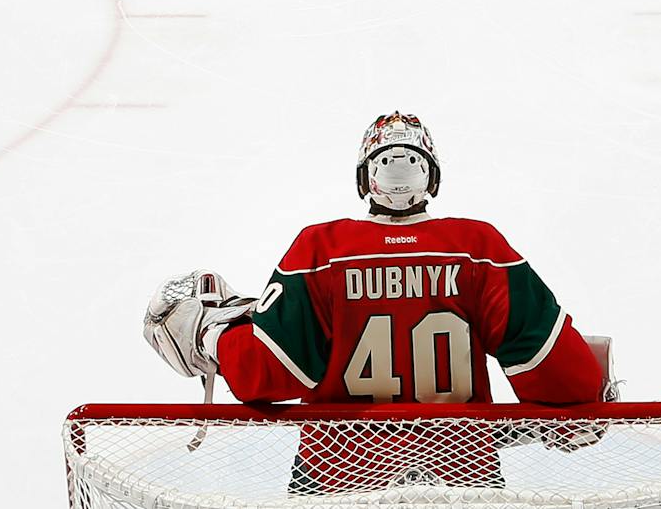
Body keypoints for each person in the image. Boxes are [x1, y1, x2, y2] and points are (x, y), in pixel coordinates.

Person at [142, 112, 608, 419]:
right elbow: (567, 381)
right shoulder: (478, 248)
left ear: (366, 178)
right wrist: (584, 369)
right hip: (463, 480)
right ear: (434, 176)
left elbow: (267, 371)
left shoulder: (321, 250)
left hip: (341, 476)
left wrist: (212, 335)